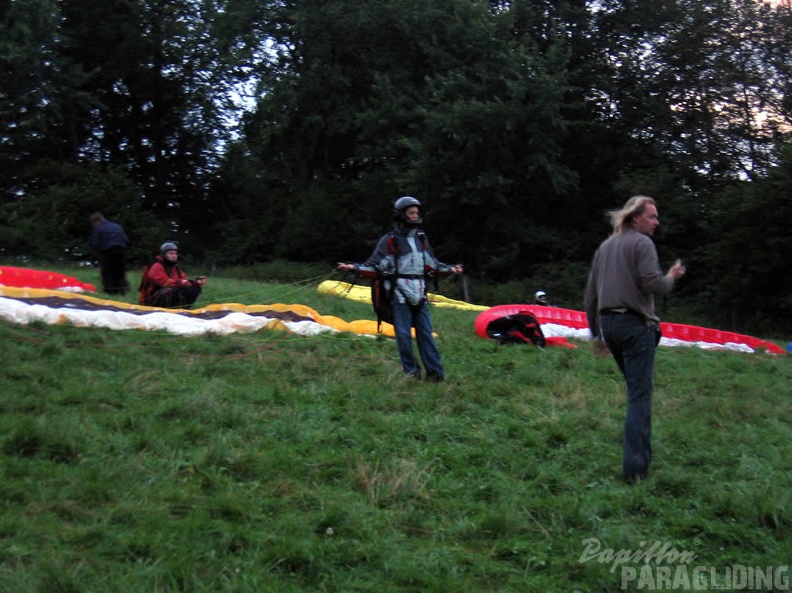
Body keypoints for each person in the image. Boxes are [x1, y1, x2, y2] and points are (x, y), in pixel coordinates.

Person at [584, 195, 686, 484]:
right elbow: (655, 284)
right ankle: (635, 472)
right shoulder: (642, 243)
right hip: (635, 326)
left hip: (610, 326)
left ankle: (641, 454)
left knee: (634, 391)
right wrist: (673, 275)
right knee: (639, 398)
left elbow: (590, 296)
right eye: (652, 217)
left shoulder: (605, 247)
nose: (657, 222)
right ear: (635, 217)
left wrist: (596, 335)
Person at [337, 196, 464, 382]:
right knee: (404, 337)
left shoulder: (421, 239)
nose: (415, 216)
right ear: (402, 215)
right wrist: (354, 268)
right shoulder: (390, 241)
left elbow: (431, 264)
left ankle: (435, 375)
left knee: (426, 335)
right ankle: (412, 374)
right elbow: (375, 265)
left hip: (420, 295)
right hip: (399, 295)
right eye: (411, 213)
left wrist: (450, 269)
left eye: (417, 213)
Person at [139, 242, 207, 308]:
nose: (174, 256)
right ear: (164, 254)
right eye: (171, 253)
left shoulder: (175, 268)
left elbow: (184, 281)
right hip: (150, 301)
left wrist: (196, 282)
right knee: (171, 290)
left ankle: (184, 308)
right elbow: (165, 282)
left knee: (193, 288)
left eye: (175, 254)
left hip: (167, 295)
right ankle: (168, 310)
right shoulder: (156, 266)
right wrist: (183, 282)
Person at [90, 212, 129, 295]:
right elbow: (126, 239)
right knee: (120, 271)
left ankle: (110, 290)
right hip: (121, 250)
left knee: (108, 271)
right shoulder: (117, 226)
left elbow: (96, 243)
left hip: (107, 251)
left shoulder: (99, 228)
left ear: (96, 221)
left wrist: (97, 253)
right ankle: (122, 290)